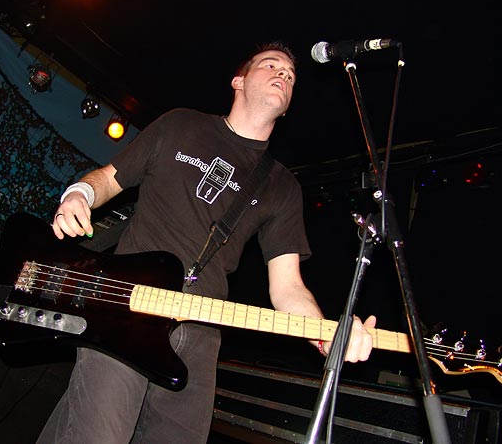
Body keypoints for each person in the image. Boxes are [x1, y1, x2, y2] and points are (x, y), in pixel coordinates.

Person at [38, 41, 377, 444]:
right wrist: (79, 194)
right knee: (99, 434)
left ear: (287, 107)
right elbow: (110, 178)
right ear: (239, 81)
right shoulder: (181, 124)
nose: (283, 75)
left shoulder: (282, 186)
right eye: (271, 65)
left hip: (199, 334)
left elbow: (288, 286)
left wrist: (324, 334)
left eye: (290, 75)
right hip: (128, 306)